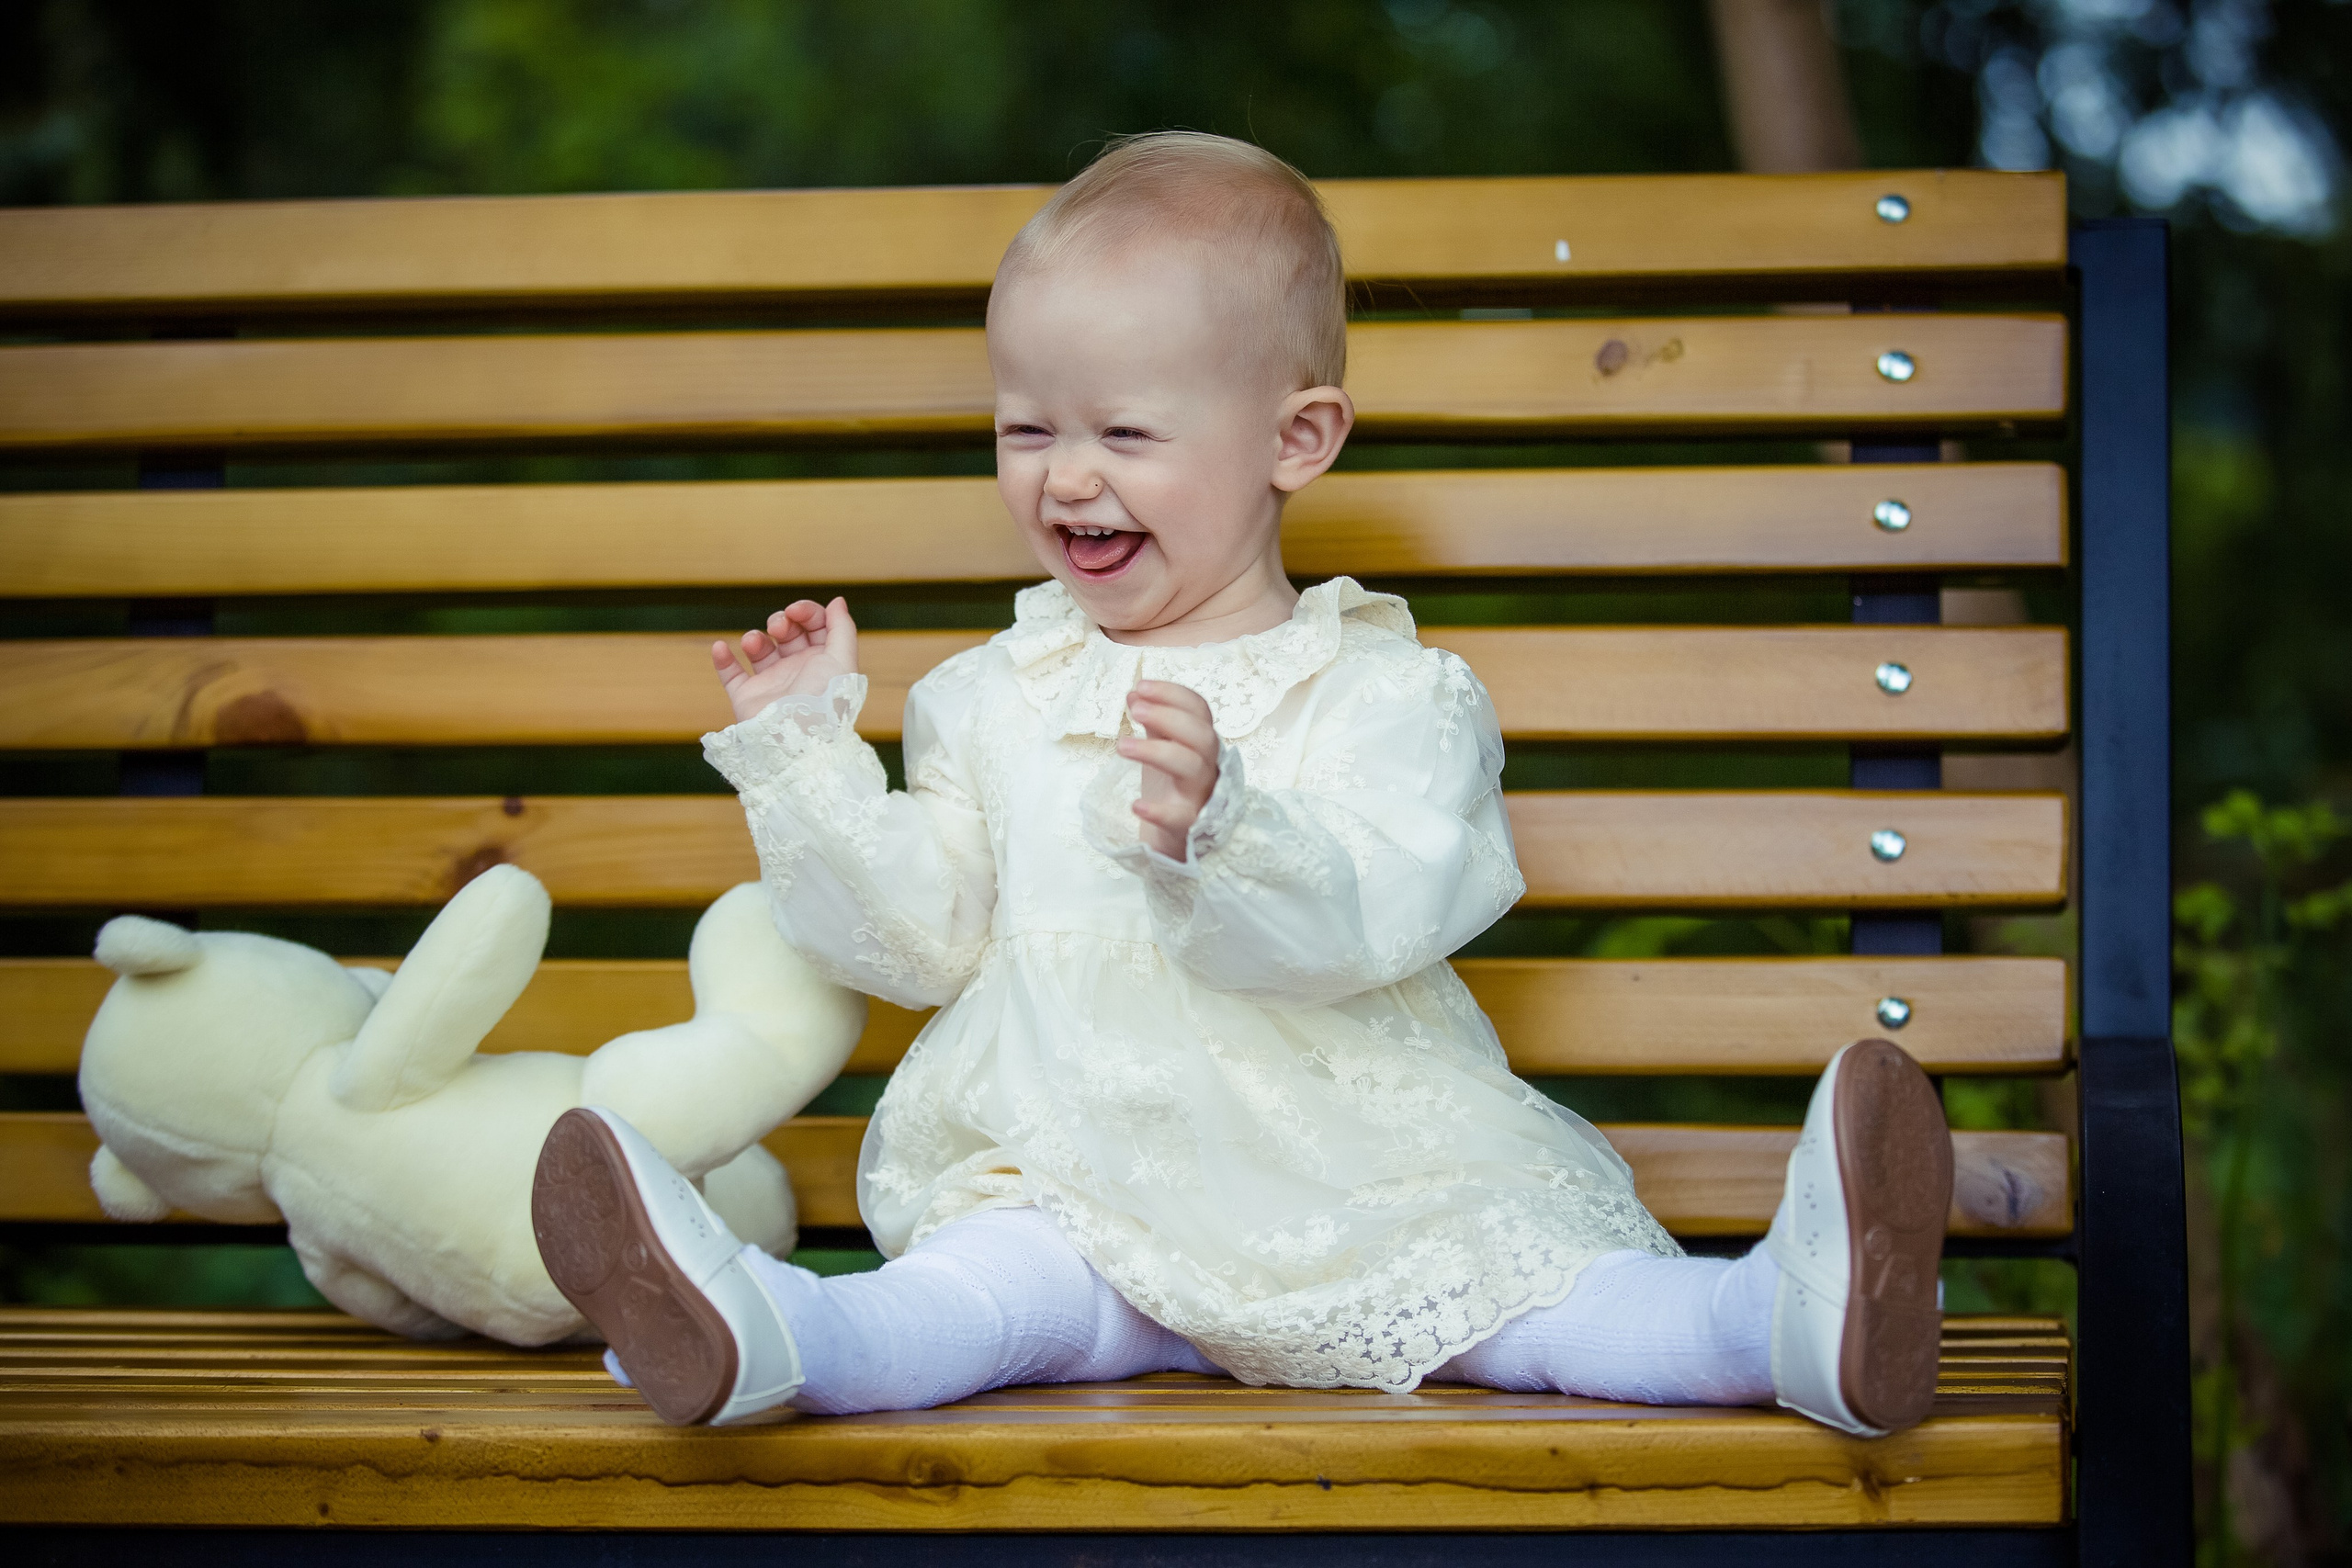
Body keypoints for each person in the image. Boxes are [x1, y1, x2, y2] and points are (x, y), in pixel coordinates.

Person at [527, 130, 1953, 1436]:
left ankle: (1779, 1319)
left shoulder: (1387, 694)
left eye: (1124, 434)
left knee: (1529, 1293)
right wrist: (806, 759)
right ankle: (776, 1333)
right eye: (1028, 429)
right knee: (972, 1296)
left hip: (1352, 1188)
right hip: (1069, 1177)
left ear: (1296, 440)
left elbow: (1384, 909)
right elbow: (919, 945)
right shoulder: (989, 697)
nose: (1066, 479)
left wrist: (1230, 838)